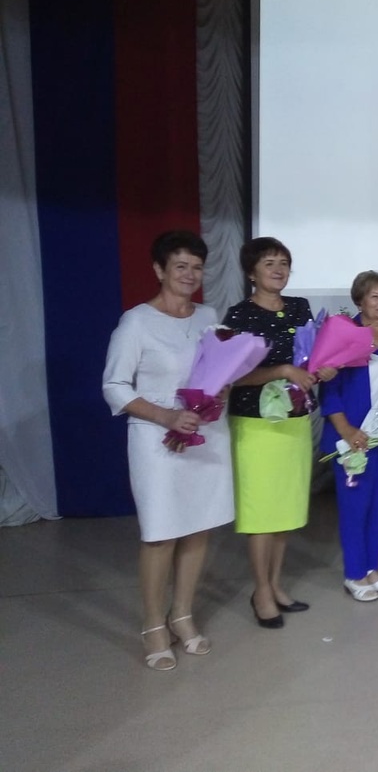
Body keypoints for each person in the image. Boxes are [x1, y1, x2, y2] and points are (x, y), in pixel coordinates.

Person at [103, 231, 233, 669]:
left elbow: (217, 371)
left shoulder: (209, 316)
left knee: (198, 527)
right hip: (156, 440)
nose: (190, 274)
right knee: (160, 533)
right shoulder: (136, 322)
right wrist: (165, 416)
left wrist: (223, 386)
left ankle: (182, 614)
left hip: (206, 435)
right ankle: (153, 623)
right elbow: (114, 386)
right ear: (159, 270)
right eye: (180, 266)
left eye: (197, 267)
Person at [224, 237, 336, 628]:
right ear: (251, 272)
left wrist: (324, 368)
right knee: (261, 512)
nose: (278, 269)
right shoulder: (239, 315)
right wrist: (283, 371)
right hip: (256, 424)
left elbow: (313, 358)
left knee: (286, 509)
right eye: (269, 262)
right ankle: (260, 592)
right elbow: (232, 375)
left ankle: (274, 584)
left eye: (284, 263)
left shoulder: (300, 308)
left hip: (294, 419)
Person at [320, 271, 378, 602]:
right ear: (360, 300)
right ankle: (354, 573)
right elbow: (329, 391)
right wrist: (346, 430)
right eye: (375, 296)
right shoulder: (345, 335)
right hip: (353, 438)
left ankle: (372, 567)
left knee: (377, 506)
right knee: (354, 508)